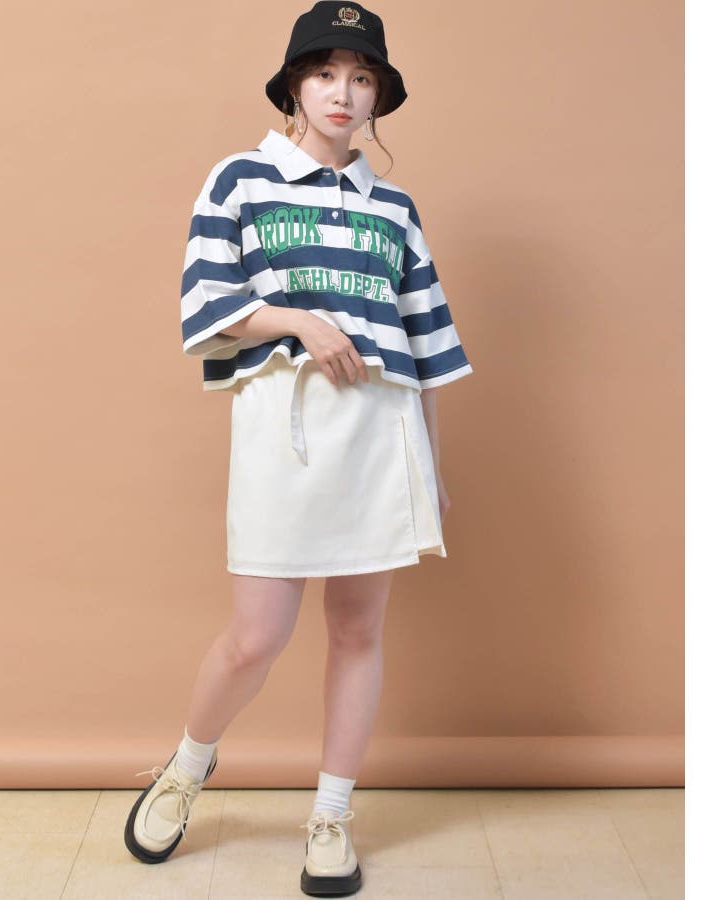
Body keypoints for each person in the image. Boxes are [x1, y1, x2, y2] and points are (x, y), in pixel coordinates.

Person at [125, 2, 473, 896]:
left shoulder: (395, 207)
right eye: (325, 74)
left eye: (362, 78)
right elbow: (207, 303)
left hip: (381, 430)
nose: (342, 93)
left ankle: (331, 815)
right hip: (284, 423)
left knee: (357, 631)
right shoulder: (241, 179)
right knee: (257, 636)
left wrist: (431, 468)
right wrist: (296, 320)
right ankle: (187, 768)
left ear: (379, 97)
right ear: (293, 86)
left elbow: (426, 349)